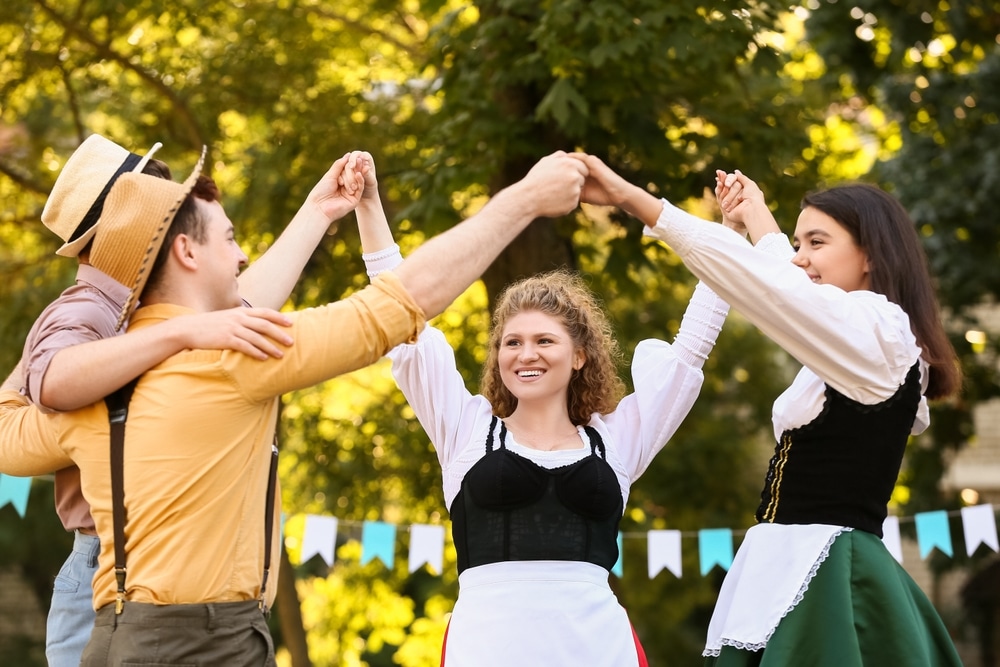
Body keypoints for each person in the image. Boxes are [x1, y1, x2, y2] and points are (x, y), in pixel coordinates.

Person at [0, 147, 588, 666]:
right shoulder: (223, 353)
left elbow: (16, 426)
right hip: (203, 643)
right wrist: (524, 199)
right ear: (184, 251)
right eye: (229, 238)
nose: (241, 255)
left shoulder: (104, 381)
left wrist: (317, 214)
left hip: (114, 637)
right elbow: (406, 298)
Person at [347, 150, 733, 666]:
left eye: (544, 341)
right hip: (487, 649)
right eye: (512, 343)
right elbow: (400, 323)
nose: (526, 354)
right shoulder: (466, 430)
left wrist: (728, 239)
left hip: (599, 649)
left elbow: (691, 349)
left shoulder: (615, 440)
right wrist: (368, 205)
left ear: (578, 356)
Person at [577, 154, 963, 666]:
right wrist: (752, 213)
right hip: (785, 568)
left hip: (826, 574)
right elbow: (785, 284)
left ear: (871, 255)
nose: (801, 257)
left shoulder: (880, 333)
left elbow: (779, 290)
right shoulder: (851, 341)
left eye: (817, 243)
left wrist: (636, 200)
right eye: (798, 244)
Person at [19, 133, 384, 666]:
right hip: (112, 569)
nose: (179, 213)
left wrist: (318, 212)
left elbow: (243, 304)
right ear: (124, 220)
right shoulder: (88, 306)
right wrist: (180, 335)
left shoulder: (146, 300)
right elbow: (53, 378)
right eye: (161, 200)